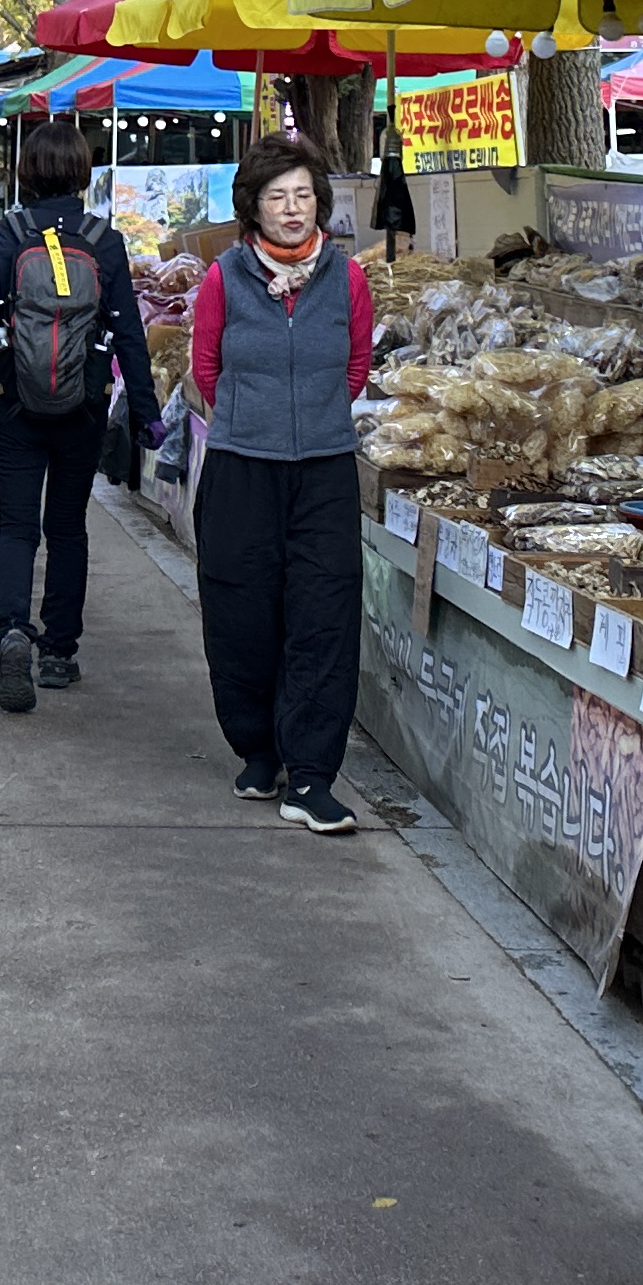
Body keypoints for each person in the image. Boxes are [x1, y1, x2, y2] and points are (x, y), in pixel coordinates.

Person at [188, 131, 372, 834]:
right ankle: (258, 750)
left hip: (324, 469)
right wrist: (255, 417)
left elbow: (356, 365)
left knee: (324, 617)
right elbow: (208, 370)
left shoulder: (347, 278)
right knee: (242, 615)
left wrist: (316, 417)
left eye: (303, 196)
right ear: (253, 207)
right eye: (277, 198)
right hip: (241, 468)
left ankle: (312, 774)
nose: (292, 210)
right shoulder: (223, 278)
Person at [0, 118, 158, 713]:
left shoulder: (7, 234)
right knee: (68, 528)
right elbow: (130, 334)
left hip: (16, 401)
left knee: (16, 526)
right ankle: (59, 652)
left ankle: (13, 632)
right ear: (81, 170)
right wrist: (144, 411)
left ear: (27, 171)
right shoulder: (104, 239)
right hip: (84, 406)